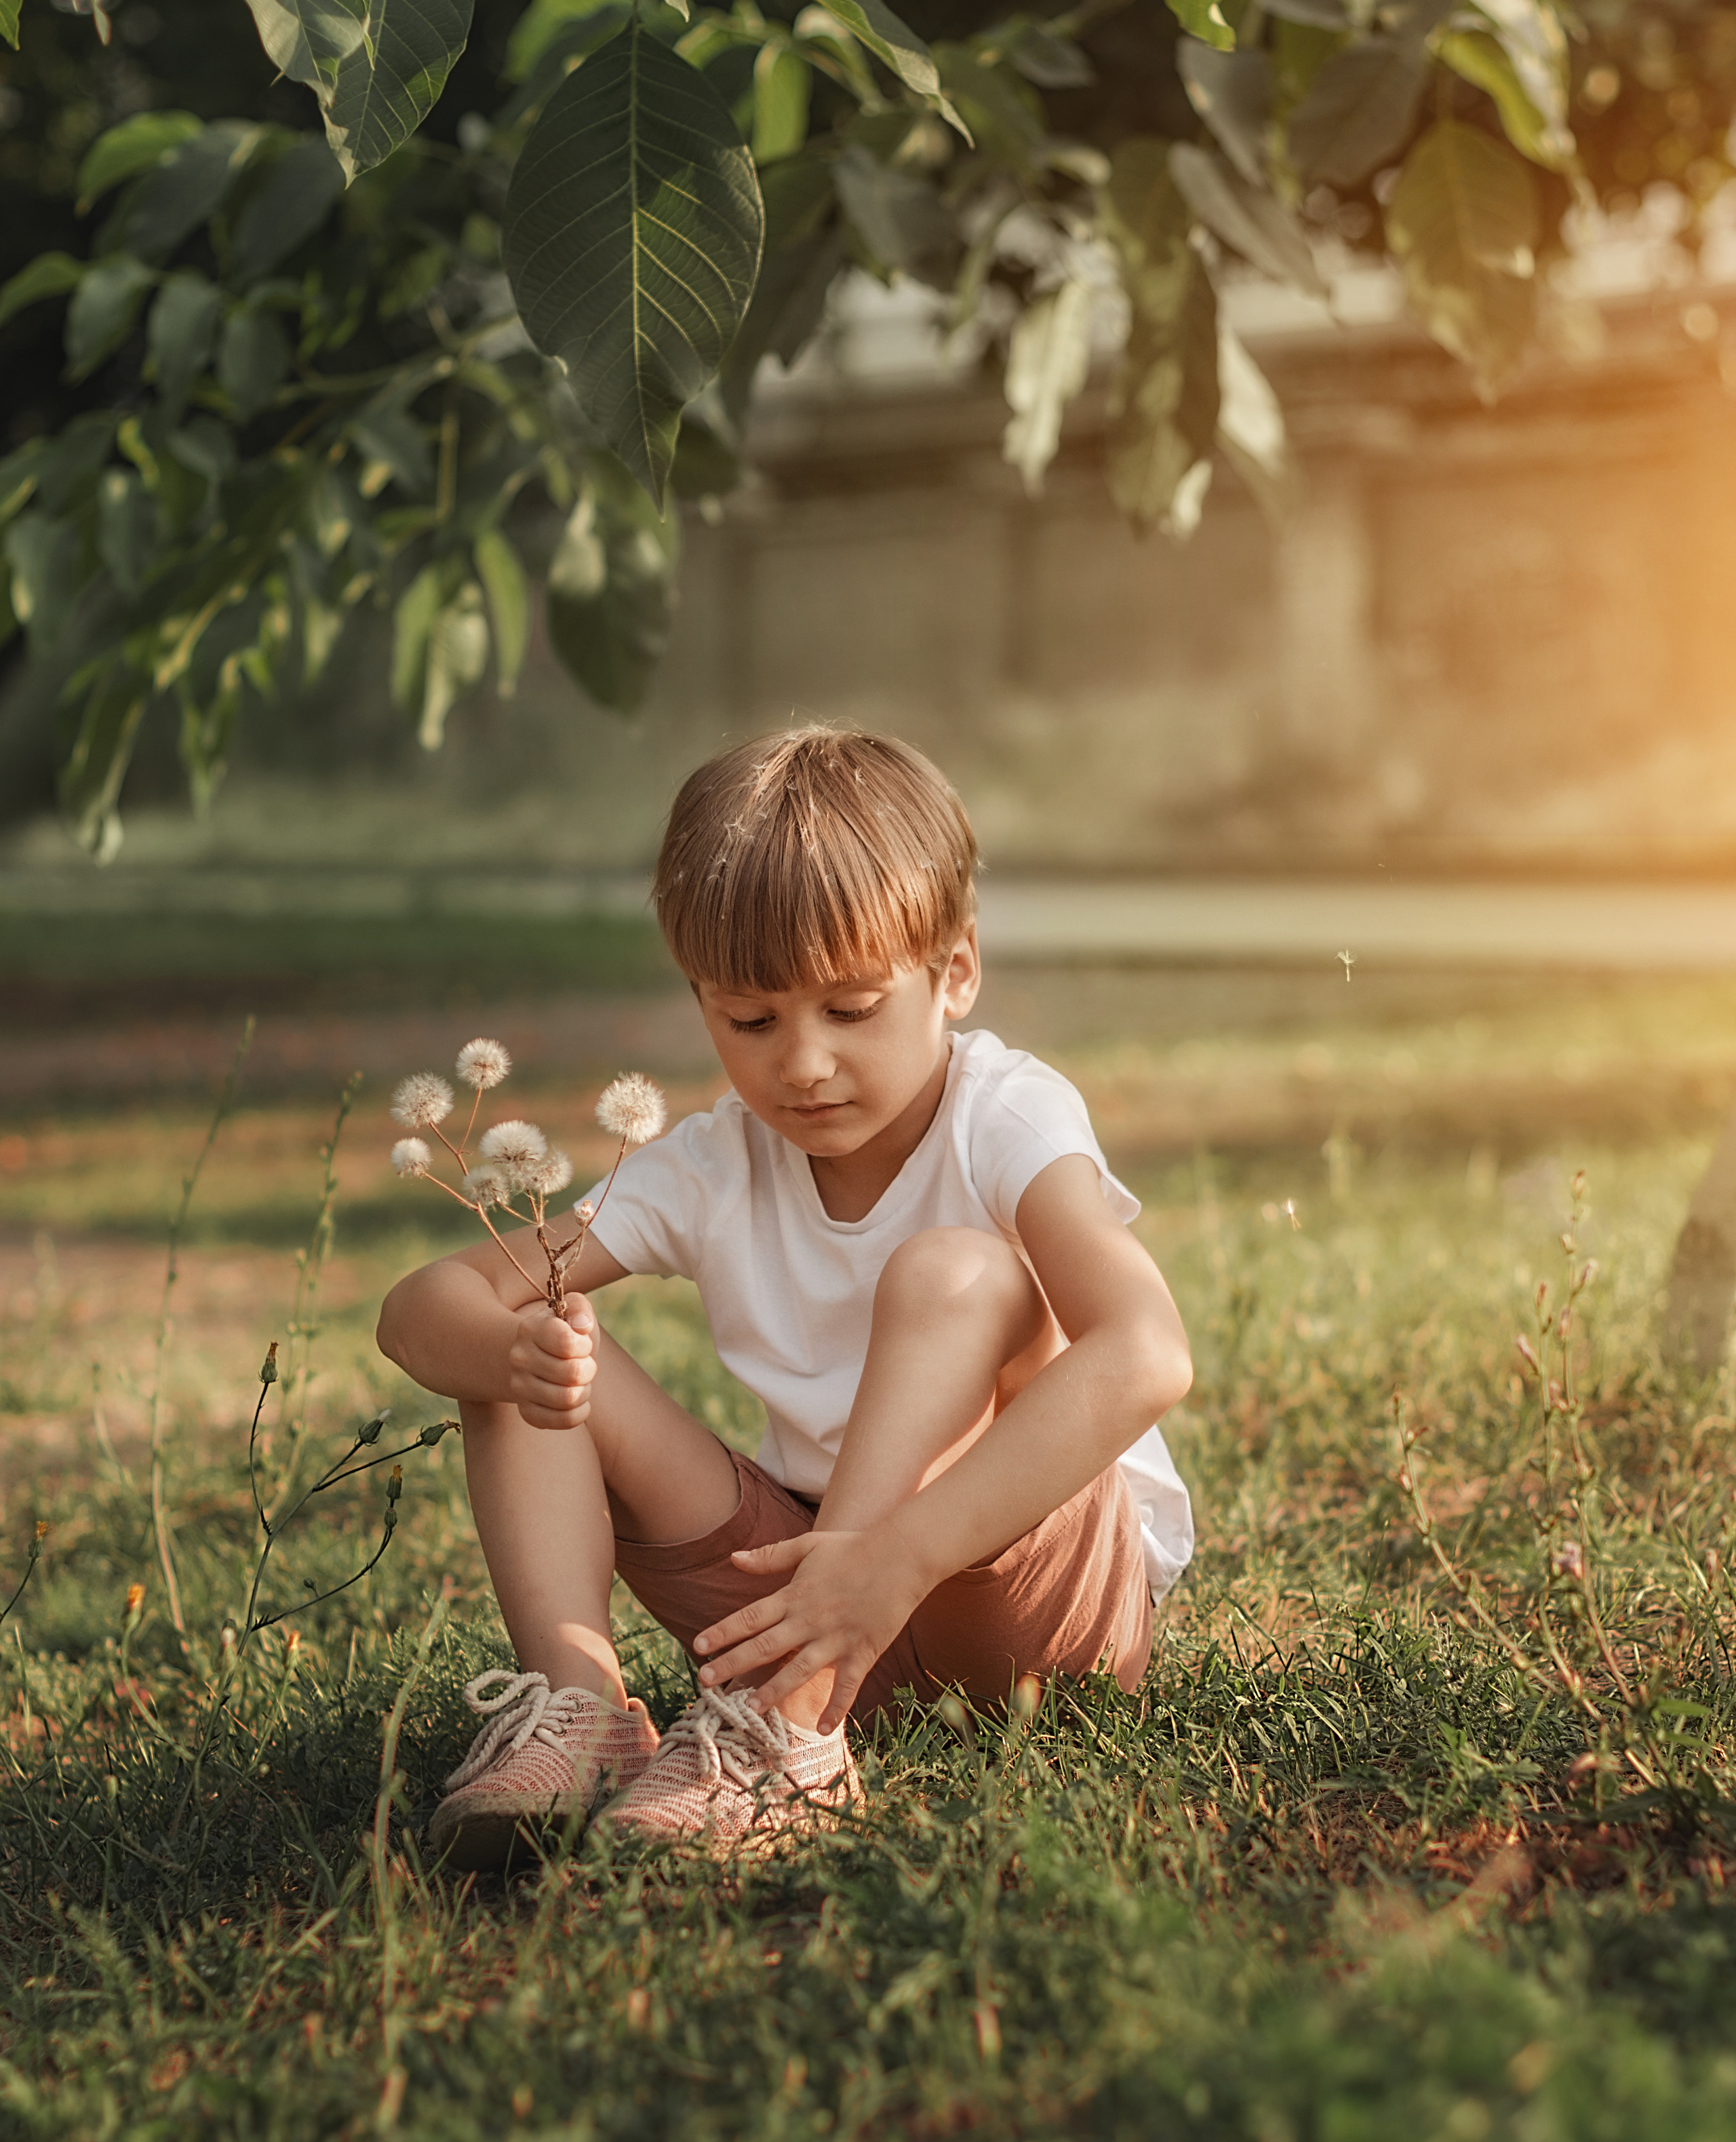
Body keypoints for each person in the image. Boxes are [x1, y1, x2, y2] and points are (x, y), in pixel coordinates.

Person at [376, 728, 1194, 1869]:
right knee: (529, 1322)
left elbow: (1147, 1354)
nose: (800, 1064)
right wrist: (509, 1361)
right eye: (751, 1021)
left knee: (954, 1274)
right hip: (801, 1584)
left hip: (1015, 1606)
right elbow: (418, 1308)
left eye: (850, 1010)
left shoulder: (1007, 1115)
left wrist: (892, 1561)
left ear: (954, 971)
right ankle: (583, 1721)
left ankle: (791, 1734)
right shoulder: (714, 1163)